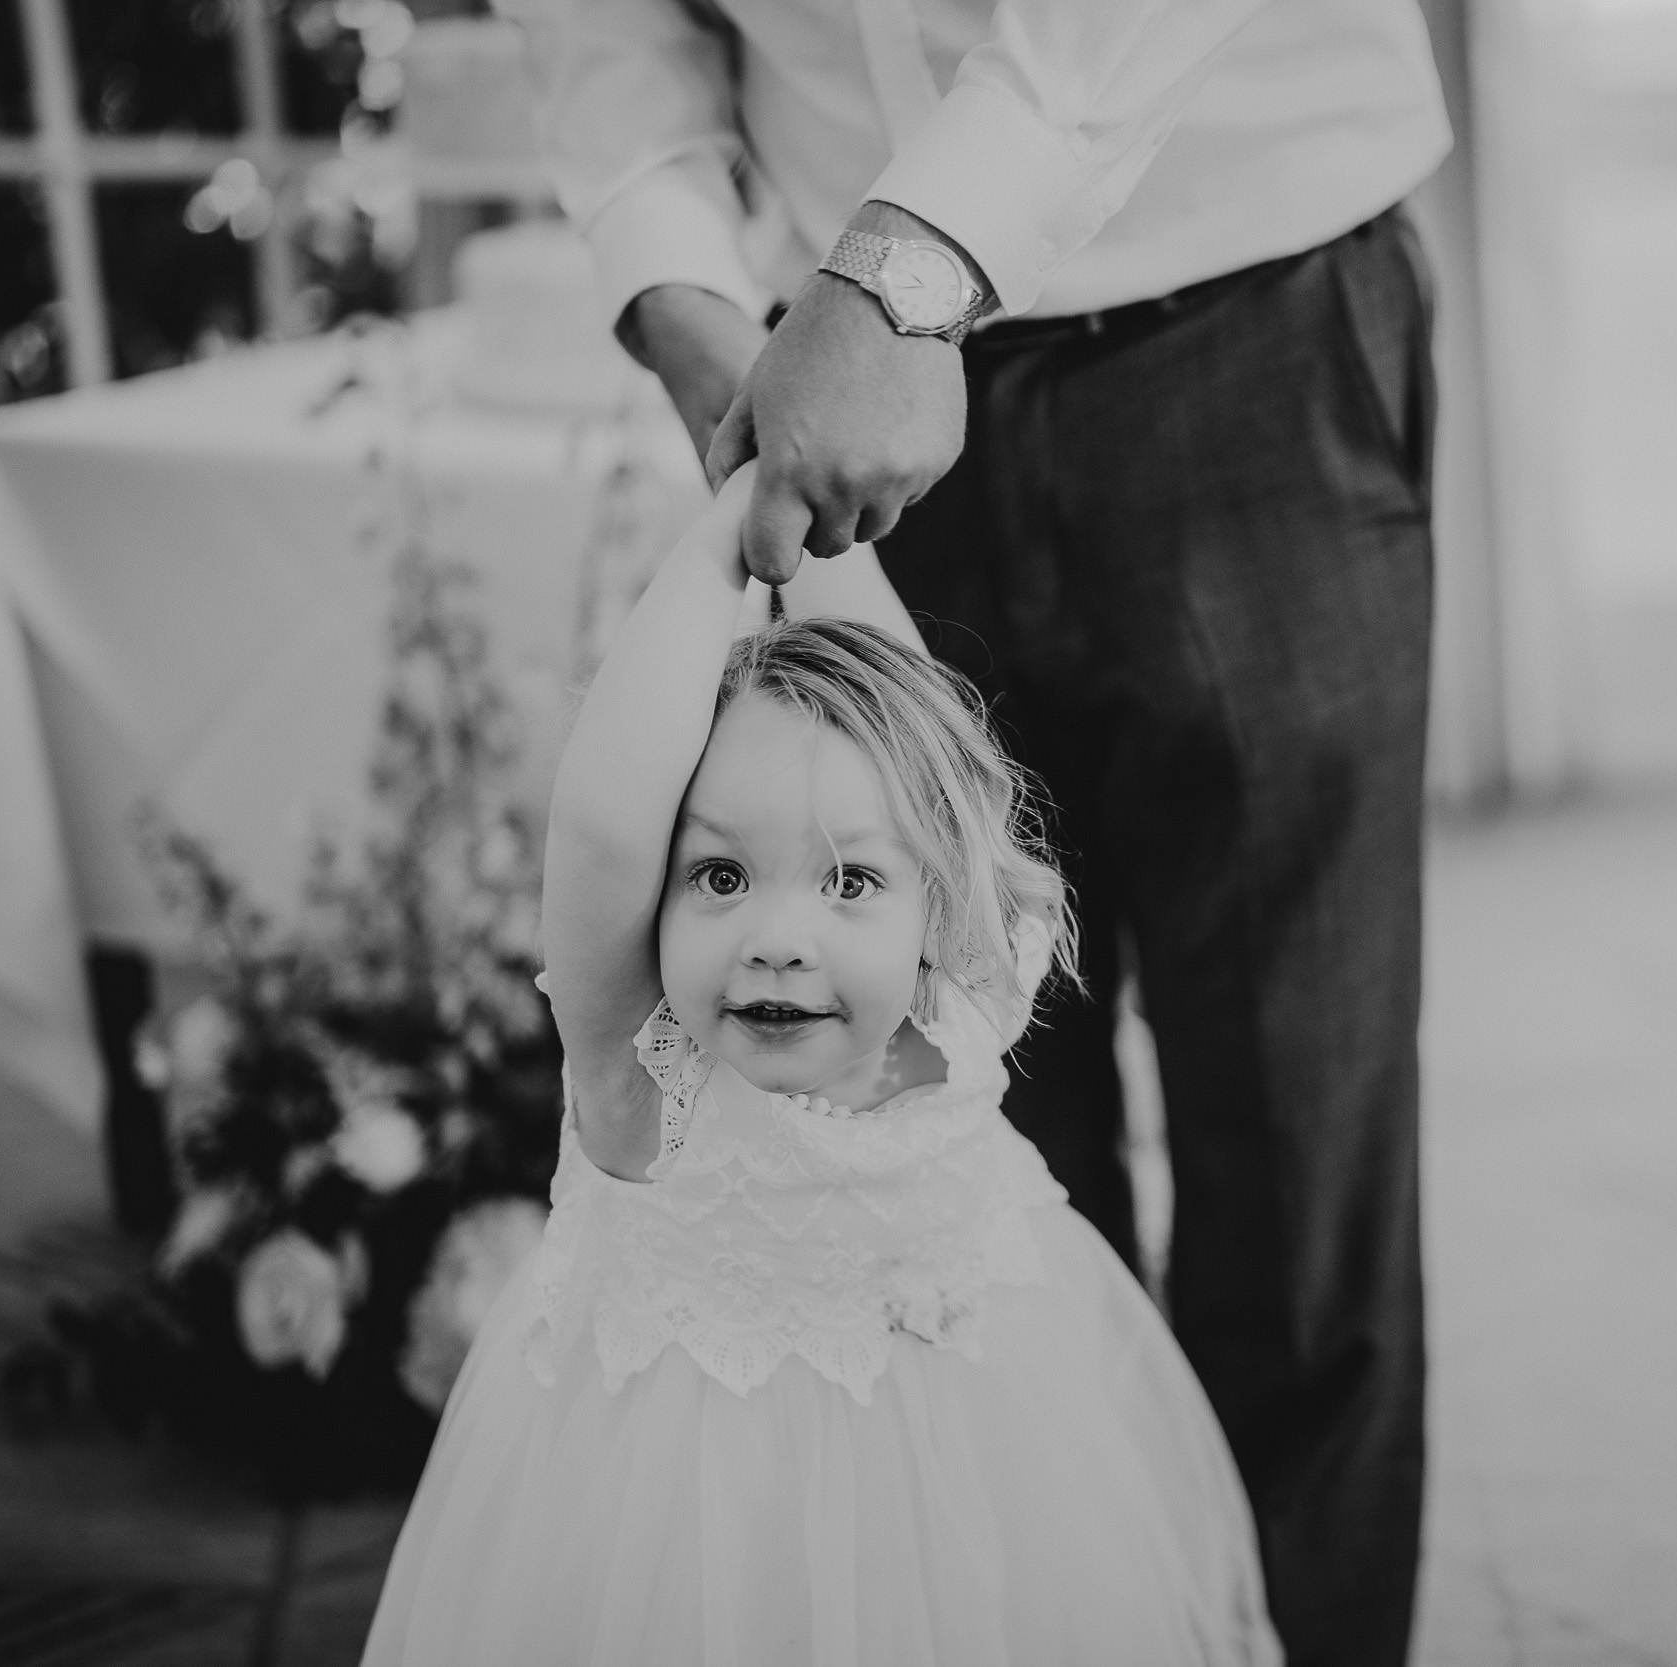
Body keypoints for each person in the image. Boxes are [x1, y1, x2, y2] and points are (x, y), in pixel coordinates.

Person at [500, 1, 1448, 1657]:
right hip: (834, 407)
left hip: (1243, 326)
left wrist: (903, 276)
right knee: (941, 1180)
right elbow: (604, 28)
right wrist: (698, 314)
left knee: (1296, 1174)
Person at [363, 471, 1277, 1661]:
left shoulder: (960, 1006)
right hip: (686, 1549)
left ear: (938, 895)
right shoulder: (645, 1090)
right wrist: (722, 539)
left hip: (976, 1527)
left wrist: (803, 495)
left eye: (849, 879)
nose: (779, 935)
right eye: (721, 875)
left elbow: (919, 729)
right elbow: (597, 825)